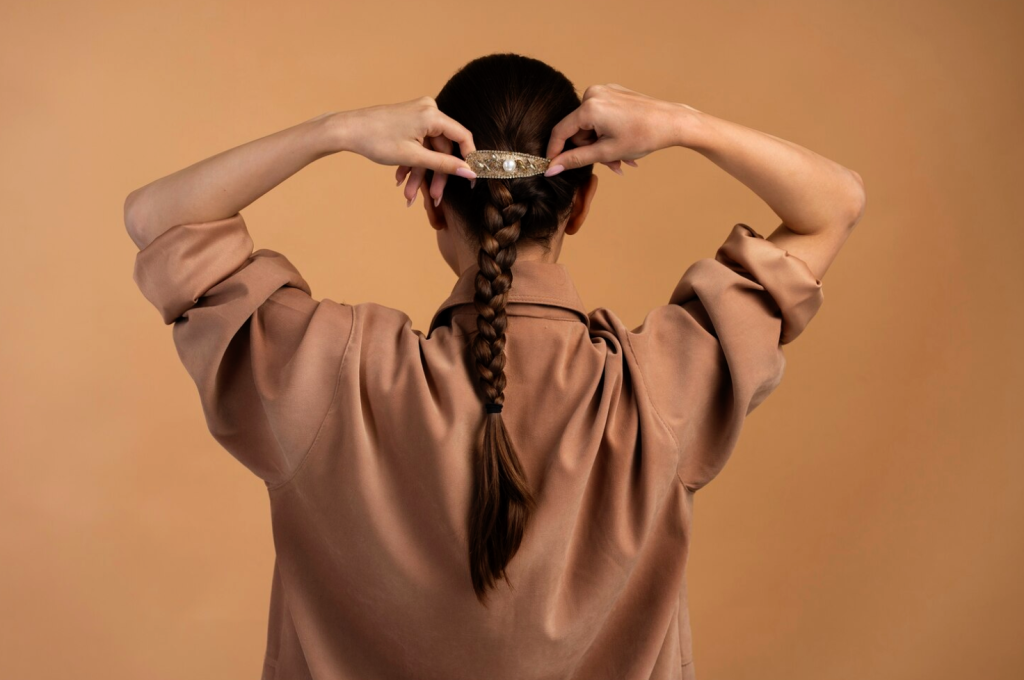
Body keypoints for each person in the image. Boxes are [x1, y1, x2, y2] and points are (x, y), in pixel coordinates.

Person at [126, 53, 865, 680]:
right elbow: (835, 204)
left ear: (432, 199)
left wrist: (337, 133)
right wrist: (684, 125)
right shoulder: (660, 391)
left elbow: (157, 219)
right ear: (579, 207)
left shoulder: (328, 377)